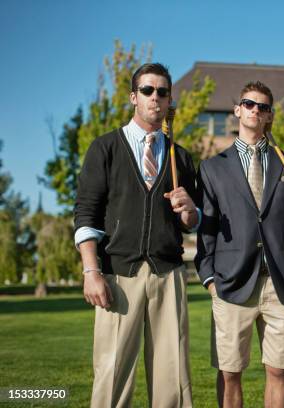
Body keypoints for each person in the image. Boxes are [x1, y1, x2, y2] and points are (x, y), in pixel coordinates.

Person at [74, 63, 199, 407]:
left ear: (170, 99)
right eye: (147, 90)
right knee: (112, 374)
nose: (155, 98)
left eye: (162, 92)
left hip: (168, 274)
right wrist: (91, 271)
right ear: (133, 97)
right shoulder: (105, 148)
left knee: (173, 378)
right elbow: (86, 213)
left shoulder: (181, 158)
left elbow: (193, 220)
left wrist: (190, 210)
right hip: (118, 273)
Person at [195, 80, 284, 408]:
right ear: (237, 110)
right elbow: (205, 228)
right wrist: (209, 279)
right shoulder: (211, 167)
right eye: (249, 104)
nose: (255, 110)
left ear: (270, 116)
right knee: (229, 372)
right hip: (231, 282)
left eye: (262, 107)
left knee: (278, 370)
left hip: (281, 282)